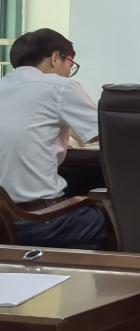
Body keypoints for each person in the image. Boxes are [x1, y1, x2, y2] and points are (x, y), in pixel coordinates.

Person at [0, 29, 107, 249]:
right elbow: (109, 134)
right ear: (55, 57)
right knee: (117, 221)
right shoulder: (59, 86)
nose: (69, 72)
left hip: (4, 223)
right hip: (39, 221)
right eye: (70, 64)